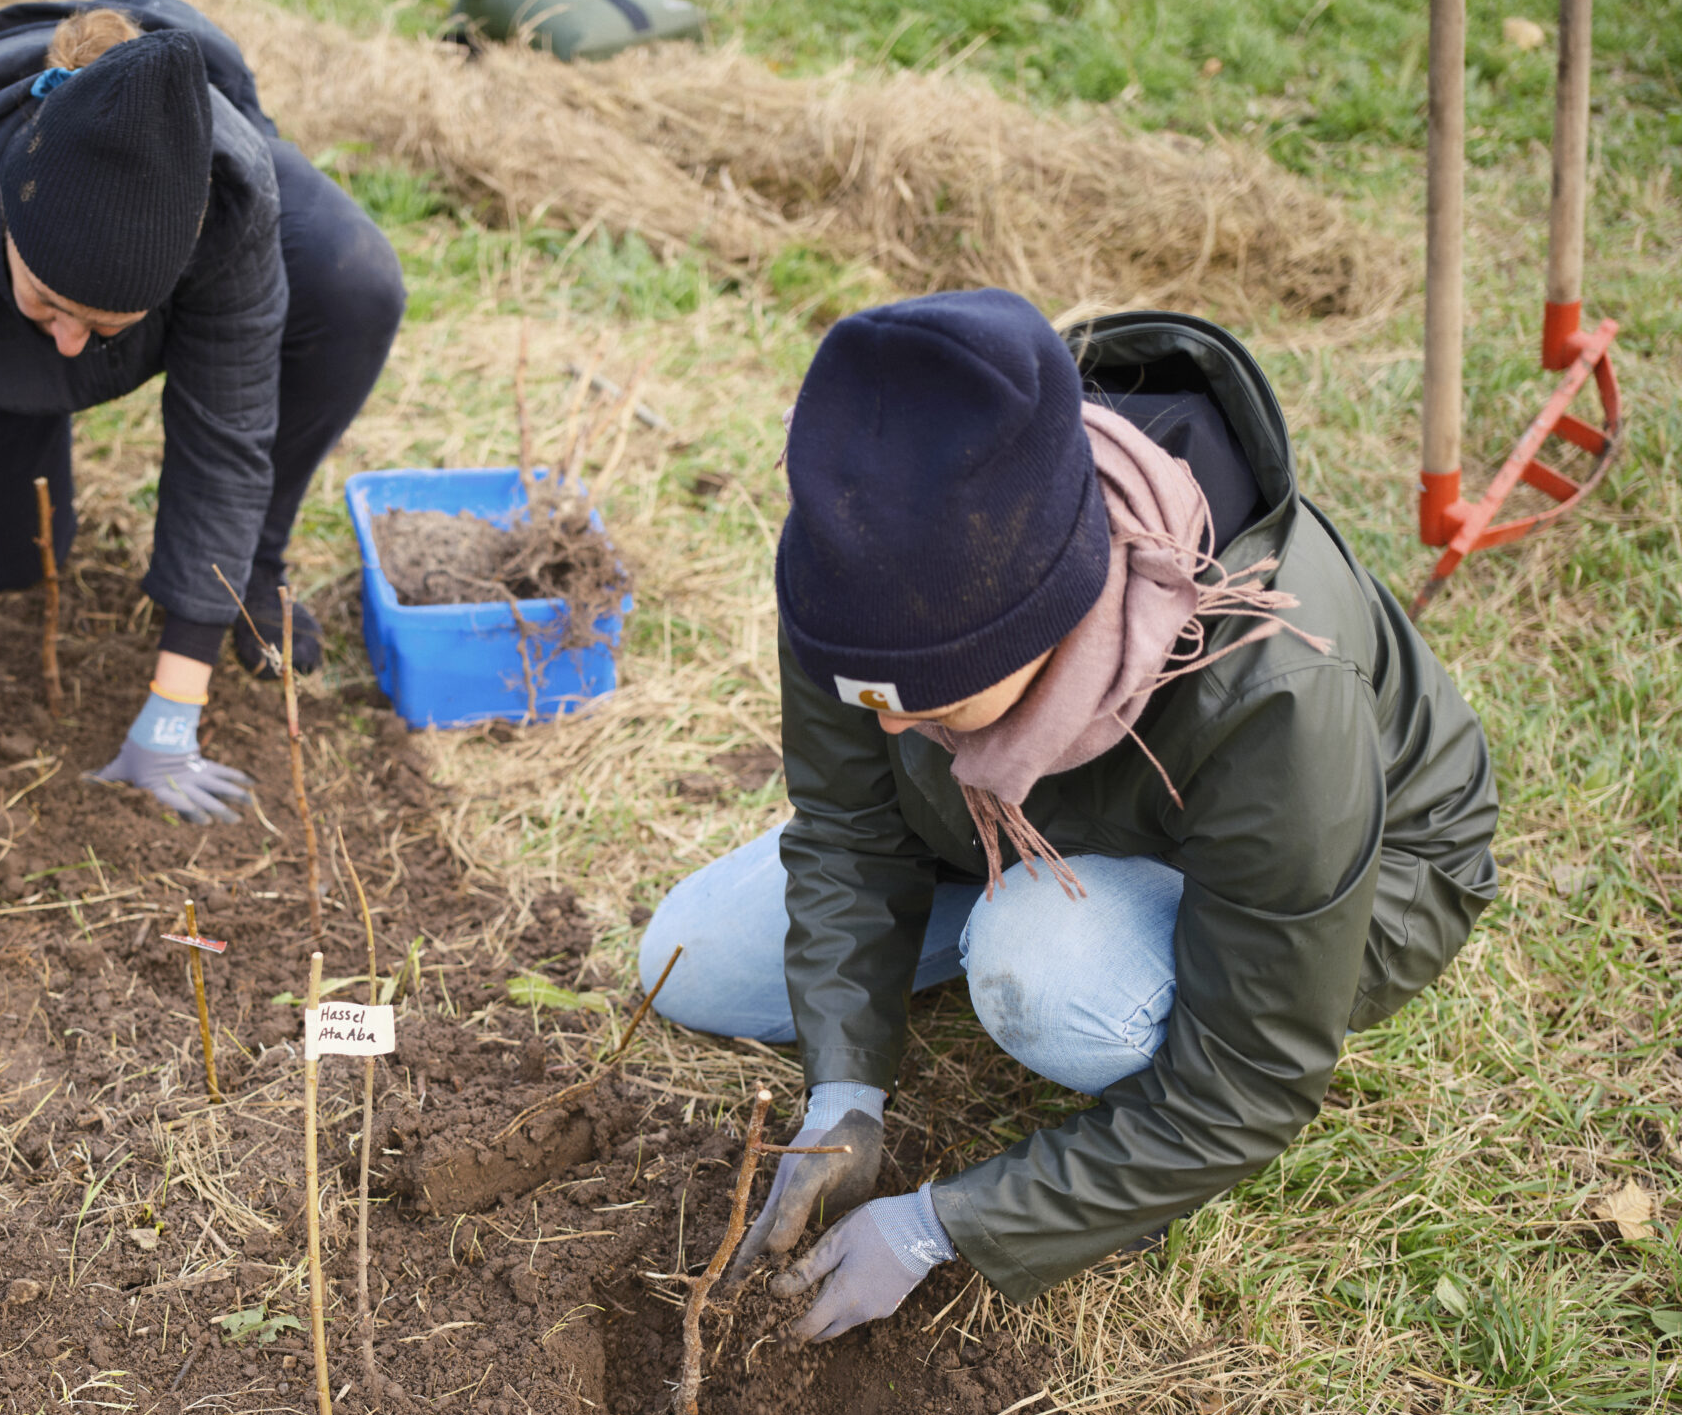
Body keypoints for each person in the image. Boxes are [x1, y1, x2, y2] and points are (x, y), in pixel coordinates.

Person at [640, 291, 1497, 1340]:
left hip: (1369, 871)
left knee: (1040, 972)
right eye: (875, 705)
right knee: (686, 956)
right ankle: (1004, 905)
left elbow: (1248, 1079)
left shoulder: (1274, 686)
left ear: (1048, 617)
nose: (898, 732)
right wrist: (844, 1092)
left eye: (935, 704)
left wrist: (942, 1224)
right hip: (1010, 822)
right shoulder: (859, 573)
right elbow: (851, 829)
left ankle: (1060, 969)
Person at [0, 0, 407, 825]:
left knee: (354, 283)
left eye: (101, 325)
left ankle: (253, 569)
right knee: (3, 560)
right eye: (49, 304)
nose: (67, 342)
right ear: (6, 228)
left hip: (213, 224)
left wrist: (174, 713)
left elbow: (224, 442)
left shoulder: (228, 207)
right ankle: (20, 373)